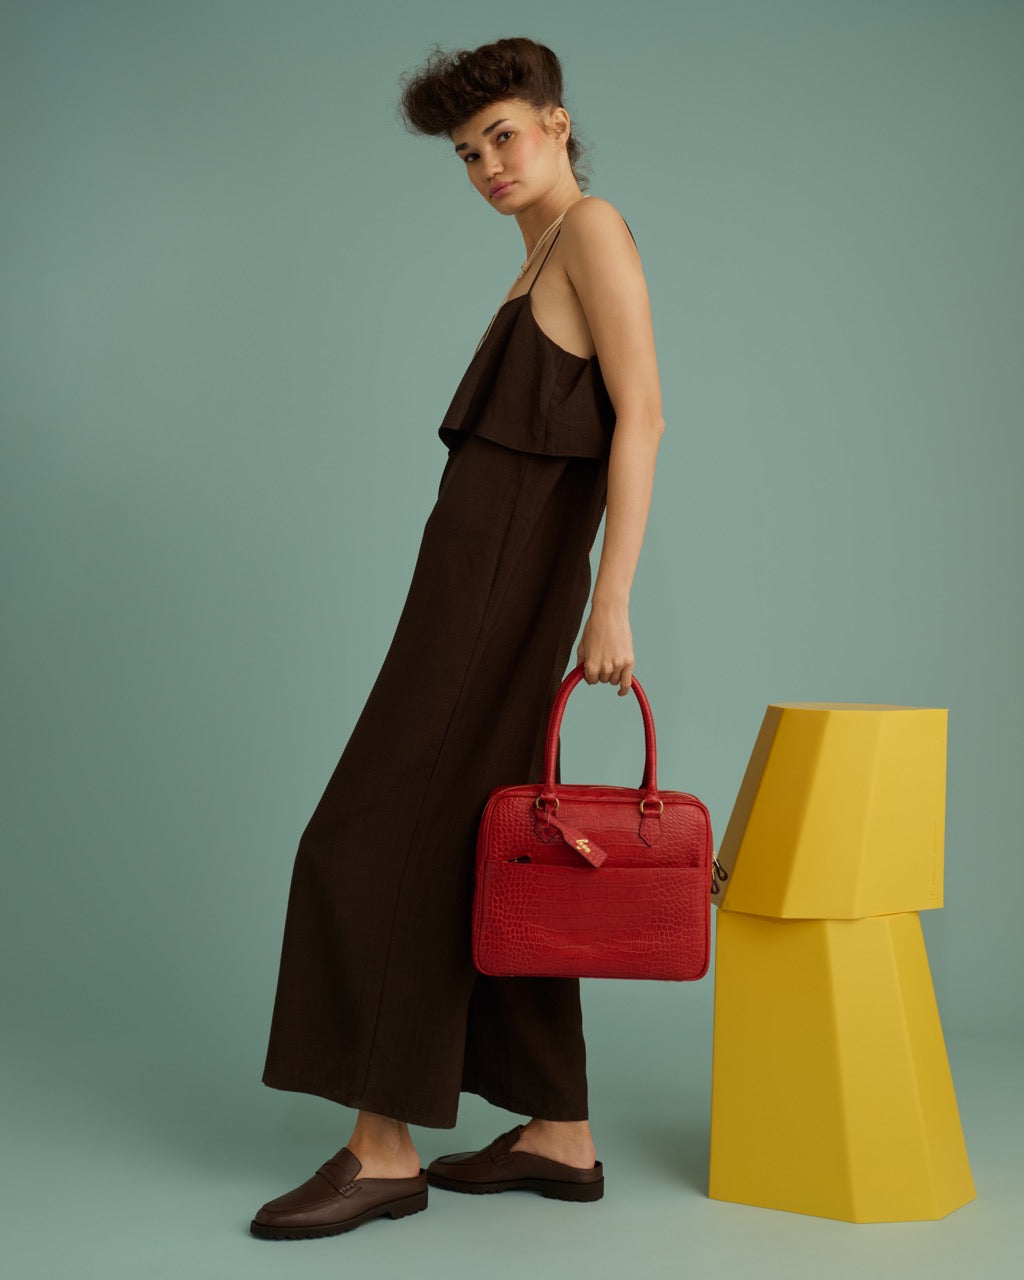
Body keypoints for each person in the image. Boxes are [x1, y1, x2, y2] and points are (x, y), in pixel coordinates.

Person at [250, 35, 665, 1240]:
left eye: (504, 136)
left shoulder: (590, 229)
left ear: (556, 123)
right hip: (471, 583)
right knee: (501, 841)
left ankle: (381, 1150)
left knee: (371, 838)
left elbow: (643, 413)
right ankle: (558, 1128)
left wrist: (612, 598)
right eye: (467, 153)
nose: (488, 165)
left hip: (496, 590)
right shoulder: (536, 253)